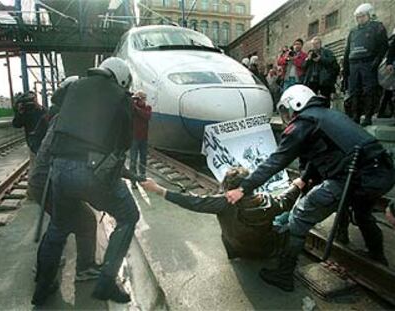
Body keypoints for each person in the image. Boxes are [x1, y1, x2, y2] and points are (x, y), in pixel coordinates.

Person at [225, 84, 395, 292]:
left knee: (299, 217)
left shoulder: (303, 123)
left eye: (287, 111)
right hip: (380, 173)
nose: (287, 116)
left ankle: (283, 274)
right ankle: (377, 257)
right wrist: (304, 179)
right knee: (361, 212)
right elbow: (322, 156)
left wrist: (243, 187)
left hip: (354, 177)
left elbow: (276, 161)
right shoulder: (325, 116)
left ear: (297, 103)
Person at [32, 57, 138, 306]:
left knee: (58, 226)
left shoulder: (74, 87)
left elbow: (57, 105)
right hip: (90, 169)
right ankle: (106, 281)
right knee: (128, 216)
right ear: (120, 78)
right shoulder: (120, 96)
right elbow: (123, 144)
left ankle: (42, 287)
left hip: (58, 169)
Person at [141, 167, 306, 259]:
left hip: (237, 249)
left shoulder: (224, 203)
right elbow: (287, 200)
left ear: (227, 186)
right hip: (265, 251)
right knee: (289, 216)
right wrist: (297, 185)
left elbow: (192, 202)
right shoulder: (269, 201)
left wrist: (158, 189)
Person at [29, 76, 101, 283]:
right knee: (85, 221)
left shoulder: (63, 116)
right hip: (49, 182)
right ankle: (84, 268)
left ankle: (44, 266)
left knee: (59, 224)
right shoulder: (74, 119)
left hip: (44, 181)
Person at [343, 3, 388, 126]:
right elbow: (347, 50)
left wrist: (377, 61)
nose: (360, 19)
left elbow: (383, 46)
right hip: (353, 64)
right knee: (354, 91)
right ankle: (355, 116)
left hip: (368, 63)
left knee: (369, 90)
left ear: (369, 15)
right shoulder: (353, 31)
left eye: (362, 16)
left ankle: (368, 116)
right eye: (357, 17)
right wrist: (345, 68)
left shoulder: (377, 27)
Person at [302, 36, 339, 101]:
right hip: (312, 80)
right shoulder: (310, 53)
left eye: (316, 43)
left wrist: (320, 59)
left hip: (324, 80)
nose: (315, 46)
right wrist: (308, 59)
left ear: (320, 43)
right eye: (313, 44)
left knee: (325, 99)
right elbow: (304, 66)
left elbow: (332, 63)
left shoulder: (327, 52)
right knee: (311, 99)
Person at [130, 90, 152, 187]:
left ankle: (142, 179)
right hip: (134, 138)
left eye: (143, 98)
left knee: (143, 159)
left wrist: (136, 107)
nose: (143, 100)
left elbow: (146, 116)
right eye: (141, 98)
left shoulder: (147, 108)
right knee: (133, 160)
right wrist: (131, 102)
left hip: (143, 138)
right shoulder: (132, 109)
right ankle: (133, 180)